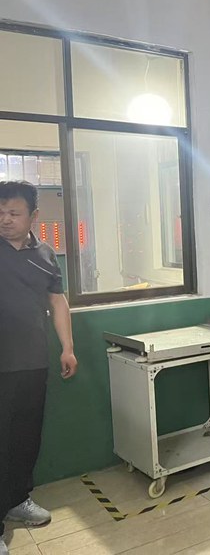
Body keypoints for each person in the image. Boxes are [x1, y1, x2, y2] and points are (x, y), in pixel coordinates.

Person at [1, 181, 78, 554]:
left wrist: (68, 347)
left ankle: (17, 499)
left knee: (25, 437)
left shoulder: (45, 254)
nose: (5, 219)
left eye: (14, 213)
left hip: (32, 362)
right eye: (0, 212)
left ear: (33, 216)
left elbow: (57, 301)